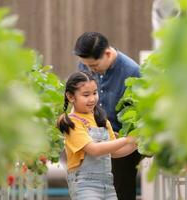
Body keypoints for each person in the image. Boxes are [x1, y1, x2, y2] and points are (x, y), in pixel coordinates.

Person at [73, 32, 142, 200]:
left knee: (121, 191)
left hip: (122, 145)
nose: (90, 70)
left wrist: (121, 139)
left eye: (94, 66)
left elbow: (137, 116)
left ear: (108, 54)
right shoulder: (85, 66)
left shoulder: (132, 71)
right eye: (86, 65)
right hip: (91, 139)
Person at [57, 71, 137, 200]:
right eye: (86, 95)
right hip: (84, 185)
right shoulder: (71, 122)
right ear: (71, 97)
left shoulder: (101, 120)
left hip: (108, 184)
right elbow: (94, 150)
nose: (92, 98)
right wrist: (127, 139)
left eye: (95, 93)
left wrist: (137, 143)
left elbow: (115, 152)